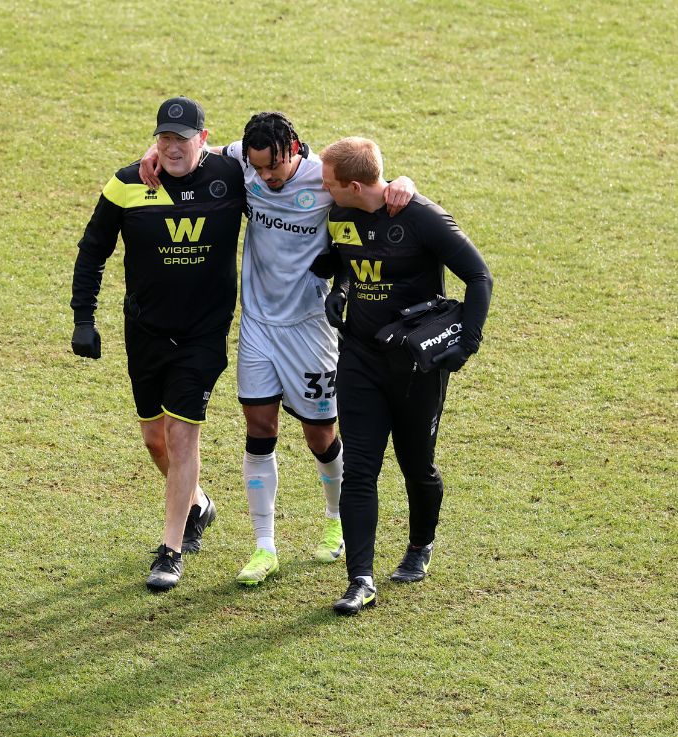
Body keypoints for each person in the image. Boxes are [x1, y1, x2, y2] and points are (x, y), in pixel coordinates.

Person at [136, 114, 415, 587]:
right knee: (258, 426)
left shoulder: (324, 176)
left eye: (273, 169)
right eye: (257, 169)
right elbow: (193, 150)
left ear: (294, 148)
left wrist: (402, 182)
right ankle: (264, 546)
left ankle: (336, 522)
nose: (265, 178)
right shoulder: (243, 158)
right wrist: (151, 152)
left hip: (309, 329)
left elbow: (373, 186)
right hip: (259, 326)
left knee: (319, 435)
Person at [70, 96, 245, 591]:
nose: (171, 147)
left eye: (181, 139)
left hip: (203, 334)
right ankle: (199, 505)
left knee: (182, 435)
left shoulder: (231, 179)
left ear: (203, 140)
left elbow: (293, 163)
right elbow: (93, 251)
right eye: (163, 138)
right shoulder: (128, 184)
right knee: (154, 439)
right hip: (144, 331)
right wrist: (84, 317)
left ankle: (170, 551)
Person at [315, 136, 493, 615]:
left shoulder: (419, 216)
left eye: (330, 182)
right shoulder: (341, 215)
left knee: (416, 465)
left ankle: (420, 545)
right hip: (359, 360)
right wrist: (341, 285)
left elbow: (479, 277)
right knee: (360, 471)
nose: (322, 187)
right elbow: (352, 258)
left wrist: (467, 342)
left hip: (416, 367)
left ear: (354, 185)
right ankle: (361, 580)